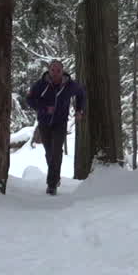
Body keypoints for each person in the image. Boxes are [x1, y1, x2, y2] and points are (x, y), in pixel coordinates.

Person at [26, 59, 85, 195]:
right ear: (49, 70)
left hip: (60, 123)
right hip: (44, 123)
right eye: (53, 70)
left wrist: (79, 110)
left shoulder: (69, 85)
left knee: (57, 151)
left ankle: (51, 184)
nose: (55, 73)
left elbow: (81, 93)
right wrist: (44, 108)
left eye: (58, 70)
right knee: (50, 152)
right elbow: (29, 100)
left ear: (62, 71)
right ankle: (56, 177)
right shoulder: (41, 84)